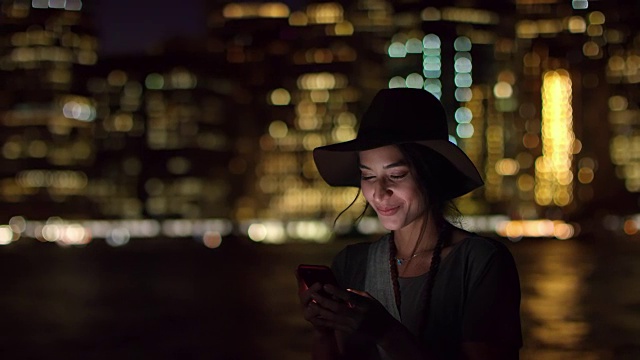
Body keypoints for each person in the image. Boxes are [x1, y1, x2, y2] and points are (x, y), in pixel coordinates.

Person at [297, 88, 522, 359]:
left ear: (431, 174)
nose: (379, 193)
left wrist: (386, 333)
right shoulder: (351, 263)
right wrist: (322, 331)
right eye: (368, 176)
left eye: (396, 175)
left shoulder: (479, 262)